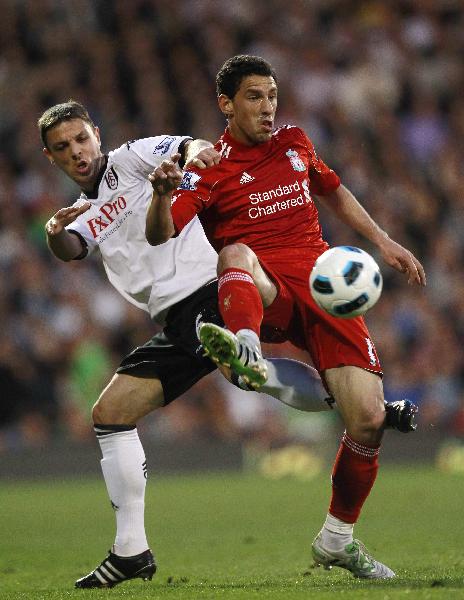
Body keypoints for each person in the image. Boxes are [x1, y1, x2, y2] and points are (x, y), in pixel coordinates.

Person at [40, 100, 350, 589]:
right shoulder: (83, 211)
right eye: (63, 148)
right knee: (111, 413)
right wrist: (54, 232)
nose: (77, 151)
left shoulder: (130, 158)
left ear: (96, 133)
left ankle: (343, 399)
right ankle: (130, 552)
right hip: (174, 321)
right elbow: (72, 249)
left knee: (239, 370)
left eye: (81, 139)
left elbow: (188, 146)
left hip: (208, 287)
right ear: (50, 158)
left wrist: (199, 154)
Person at [145, 55, 426, 579]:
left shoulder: (294, 143)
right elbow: (160, 232)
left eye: (273, 96)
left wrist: (383, 240)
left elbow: (334, 189)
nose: (268, 107)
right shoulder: (208, 168)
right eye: (255, 97)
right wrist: (163, 196)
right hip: (266, 289)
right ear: (226, 105)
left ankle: (337, 540)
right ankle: (248, 345)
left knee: (366, 420)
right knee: (233, 253)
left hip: (325, 286)